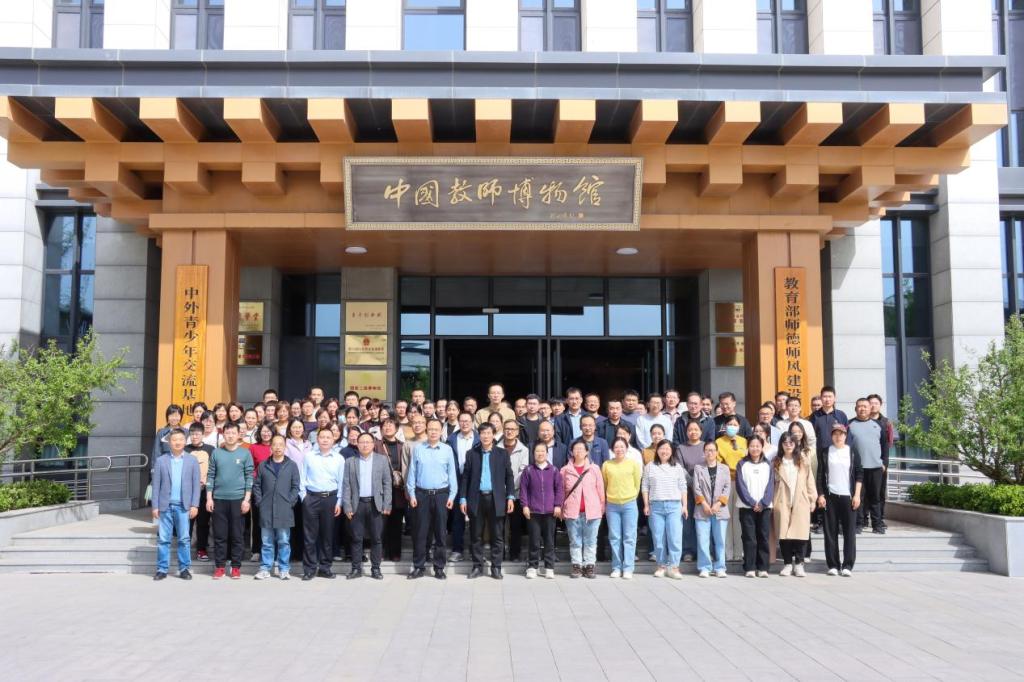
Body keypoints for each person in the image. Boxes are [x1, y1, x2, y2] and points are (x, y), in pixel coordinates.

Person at [459, 423, 514, 580]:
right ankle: (477, 566)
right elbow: (465, 478)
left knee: (497, 535)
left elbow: (509, 476)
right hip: (476, 498)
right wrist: (463, 498)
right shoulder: (471, 454)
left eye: (489, 433)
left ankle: (496, 567)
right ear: (479, 435)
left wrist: (510, 496)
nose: (486, 436)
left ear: (493, 435)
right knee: (476, 535)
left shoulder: (502, 454)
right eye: (483, 433)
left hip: (496, 499)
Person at [406, 419, 458, 580]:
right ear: (426, 430)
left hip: (442, 495)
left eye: (436, 429)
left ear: (441, 431)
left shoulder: (447, 450)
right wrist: (412, 494)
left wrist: (452, 495)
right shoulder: (418, 449)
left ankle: (439, 567)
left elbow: (452, 474)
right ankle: (418, 567)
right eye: (430, 429)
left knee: (441, 533)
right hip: (422, 495)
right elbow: (412, 473)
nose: (433, 432)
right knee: (420, 533)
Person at [206, 422, 255, 580]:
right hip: (219, 499)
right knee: (220, 535)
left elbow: (249, 477)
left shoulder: (245, 453)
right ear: (223, 434)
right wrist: (209, 498)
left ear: (239, 434)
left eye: (234, 433)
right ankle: (220, 567)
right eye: (228, 433)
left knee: (237, 536)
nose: (231, 436)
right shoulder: (216, 453)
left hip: (238, 500)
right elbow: (210, 475)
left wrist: (247, 499)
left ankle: (235, 567)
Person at [151, 428, 200, 581]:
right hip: (165, 505)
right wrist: (155, 506)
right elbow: (156, 485)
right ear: (169, 442)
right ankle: (162, 569)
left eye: (180, 439)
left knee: (184, 539)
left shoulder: (192, 460)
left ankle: (184, 569)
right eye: (174, 440)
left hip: (184, 506)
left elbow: (196, 485)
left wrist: (195, 505)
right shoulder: (161, 460)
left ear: (185, 441)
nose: (177, 442)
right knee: (163, 539)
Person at [342, 432, 392, 580]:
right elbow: (346, 485)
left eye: (368, 442)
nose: (365, 445)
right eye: (362, 442)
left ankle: (375, 569)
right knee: (356, 538)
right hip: (357, 504)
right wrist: (347, 506)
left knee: (376, 538)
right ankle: (356, 569)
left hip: (376, 504)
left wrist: (387, 504)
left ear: (373, 444)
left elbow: (387, 483)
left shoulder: (382, 460)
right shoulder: (350, 462)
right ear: (357, 444)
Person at [252, 433, 300, 580]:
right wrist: (260, 502)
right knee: (266, 542)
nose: (278, 447)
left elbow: (295, 486)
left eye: (281, 445)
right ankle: (265, 568)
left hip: (284, 509)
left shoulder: (291, 465)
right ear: (270, 447)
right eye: (275, 444)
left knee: (284, 541)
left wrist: (290, 502)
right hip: (266, 508)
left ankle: (284, 568)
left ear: (285, 447)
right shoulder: (263, 465)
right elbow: (257, 486)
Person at [300, 427, 345, 581]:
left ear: (333, 440)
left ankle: (325, 568)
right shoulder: (309, 457)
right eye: (322, 437)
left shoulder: (339, 459)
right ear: (317, 439)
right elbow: (302, 478)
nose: (325, 440)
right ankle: (309, 568)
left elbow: (342, 482)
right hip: (311, 498)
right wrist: (304, 498)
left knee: (328, 535)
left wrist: (339, 502)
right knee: (309, 536)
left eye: (328, 437)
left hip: (330, 499)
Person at [818, 424, 863, 577]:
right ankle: (833, 565)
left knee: (849, 532)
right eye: (835, 434)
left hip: (848, 497)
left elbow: (859, 474)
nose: (838, 437)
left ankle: (848, 565)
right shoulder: (826, 452)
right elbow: (820, 475)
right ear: (831, 436)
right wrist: (821, 494)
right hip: (830, 496)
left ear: (845, 436)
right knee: (830, 532)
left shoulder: (852, 451)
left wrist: (857, 495)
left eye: (841, 434)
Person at [642, 439, 687, 580]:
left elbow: (683, 487)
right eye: (662, 448)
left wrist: (684, 506)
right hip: (656, 506)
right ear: (657, 450)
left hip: (674, 506)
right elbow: (645, 486)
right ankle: (661, 566)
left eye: (668, 448)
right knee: (658, 538)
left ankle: (674, 567)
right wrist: (646, 505)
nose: (665, 451)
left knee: (675, 538)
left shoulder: (677, 467)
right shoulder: (650, 466)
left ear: (671, 451)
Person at [772, 433, 817, 578]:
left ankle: (799, 564)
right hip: (782, 500)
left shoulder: (803, 461)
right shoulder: (776, 462)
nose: (788, 445)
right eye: (785, 443)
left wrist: (812, 499)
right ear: (781, 445)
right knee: (784, 534)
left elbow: (810, 480)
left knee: (801, 534)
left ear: (796, 444)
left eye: (791, 442)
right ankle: (787, 564)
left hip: (800, 499)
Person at [561, 439, 605, 580]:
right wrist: (561, 509)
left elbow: (600, 490)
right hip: (572, 512)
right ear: (572, 452)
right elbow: (561, 491)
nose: (579, 451)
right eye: (576, 448)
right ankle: (577, 565)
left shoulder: (594, 469)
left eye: (582, 448)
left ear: (587, 451)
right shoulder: (565, 470)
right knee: (575, 541)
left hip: (592, 512)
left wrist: (601, 508)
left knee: (591, 540)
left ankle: (589, 565)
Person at [520, 441, 564, 579]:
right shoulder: (528, 470)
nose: (540, 453)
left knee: (549, 541)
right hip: (533, 511)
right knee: (534, 541)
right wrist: (525, 505)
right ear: (533, 453)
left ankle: (549, 567)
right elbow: (523, 490)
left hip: (550, 512)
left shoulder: (554, 470)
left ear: (547, 453)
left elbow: (559, 489)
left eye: (542, 451)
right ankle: (532, 567)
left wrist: (558, 505)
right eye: (537, 451)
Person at [602, 437, 642, 579]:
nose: (619, 449)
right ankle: (616, 567)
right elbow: (605, 484)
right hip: (612, 505)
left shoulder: (633, 464)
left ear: (626, 448)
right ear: (612, 449)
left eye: (622, 447)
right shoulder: (607, 464)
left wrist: (631, 496)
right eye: (616, 447)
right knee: (614, 537)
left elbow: (637, 484)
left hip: (629, 504)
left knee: (629, 537)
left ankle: (628, 568)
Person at [848, 397, 889, 534]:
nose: (862, 409)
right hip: (857, 468)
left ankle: (877, 525)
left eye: (865, 406)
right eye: (859, 406)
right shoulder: (849, 424)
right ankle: (858, 524)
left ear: (870, 408)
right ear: (855, 409)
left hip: (875, 467)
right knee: (858, 496)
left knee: (875, 497)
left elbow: (885, 446)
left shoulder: (879, 425)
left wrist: (884, 463)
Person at [735, 435, 774, 578]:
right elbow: (740, 486)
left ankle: (763, 567)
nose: (755, 448)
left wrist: (763, 503)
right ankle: (749, 567)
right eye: (752, 446)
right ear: (748, 447)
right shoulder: (742, 464)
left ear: (762, 447)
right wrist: (752, 502)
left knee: (763, 536)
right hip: (746, 507)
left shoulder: (768, 464)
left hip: (765, 507)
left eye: (758, 446)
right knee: (749, 538)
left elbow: (771, 485)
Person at [693, 441, 730, 578]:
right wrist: (704, 504)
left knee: (720, 540)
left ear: (717, 452)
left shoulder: (724, 468)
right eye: (707, 450)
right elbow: (696, 488)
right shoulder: (698, 468)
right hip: (702, 509)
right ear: (704, 452)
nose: (710, 453)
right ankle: (705, 567)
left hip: (720, 510)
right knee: (703, 539)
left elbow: (727, 488)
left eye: (713, 450)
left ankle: (720, 567)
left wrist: (718, 503)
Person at [446, 411, 478, 562]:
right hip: (456, 481)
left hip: (475, 482)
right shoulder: (451, 439)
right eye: (462, 421)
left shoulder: (479, 438)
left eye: (467, 421)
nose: (464, 423)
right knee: (457, 517)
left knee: (476, 517)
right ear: (458, 422)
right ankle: (457, 549)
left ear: (472, 422)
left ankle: (474, 551)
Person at [715, 415, 747, 561]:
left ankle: (738, 552)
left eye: (735, 424)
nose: (732, 427)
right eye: (730, 424)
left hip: (741, 482)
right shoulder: (719, 442)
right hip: (725, 483)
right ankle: (727, 552)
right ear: (725, 426)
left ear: (739, 427)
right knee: (726, 517)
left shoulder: (744, 441)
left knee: (738, 518)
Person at [675, 420, 706, 561]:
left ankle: (704, 550)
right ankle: (688, 551)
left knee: (703, 521)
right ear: (686, 432)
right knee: (687, 521)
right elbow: (680, 469)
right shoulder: (681, 448)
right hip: (686, 490)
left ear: (701, 431)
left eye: (696, 429)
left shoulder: (706, 446)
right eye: (690, 430)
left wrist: (699, 486)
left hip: (705, 491)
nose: (693, 432)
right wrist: (694, 485)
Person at [502, 420, 530, 562]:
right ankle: (500, 554)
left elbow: (522, 472)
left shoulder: (523, 450)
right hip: (499, 493)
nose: (509, 431)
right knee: (499, 526)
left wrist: (511, 490)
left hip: (517, 493)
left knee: (515, 526)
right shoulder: (496, 447)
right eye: (507, 428)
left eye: (513, 429)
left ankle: (515, 554)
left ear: (517, 432)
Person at [184, 422, 213, 562]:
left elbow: (213, 470)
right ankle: (185, 550)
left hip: (204, 491)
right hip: (187, 492)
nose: (195, 436)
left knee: (203, 521)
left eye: (197, 434)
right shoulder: (184, 449)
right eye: (192, 434)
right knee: (187, 521)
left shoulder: (211, 449)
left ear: (203, 434)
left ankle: (202, 549)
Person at [378, 418, 406, 561]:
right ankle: (382, 552)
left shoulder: (402, 446)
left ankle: (395, 553)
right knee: (382, 522)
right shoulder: (376, 445)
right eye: (385, 425)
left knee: (396, 521)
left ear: (397, 428)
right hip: (382, 489)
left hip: (398, 489)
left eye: (391, 425)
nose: (388, 427)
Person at [247, 423, 275, 560]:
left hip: (275, 489)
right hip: (258, 488)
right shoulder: (253, 447)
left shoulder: (277, 446)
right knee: (258, 519)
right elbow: (250, 468)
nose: (266, 434)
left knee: (274, 520)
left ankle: (273, 549)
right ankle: (256, 550)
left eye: (269, 431)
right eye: (264, 431)